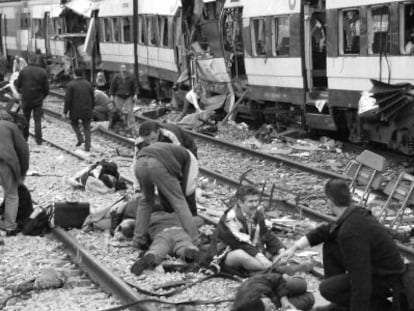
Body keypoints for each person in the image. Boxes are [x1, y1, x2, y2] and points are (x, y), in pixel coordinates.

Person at [275, 179, 406, 311]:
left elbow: (360, 280)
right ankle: (340, 306)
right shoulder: (355, 213)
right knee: (331, 243)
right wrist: (294, 248)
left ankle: (382, 308)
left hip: (388, 281)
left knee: (327, 289)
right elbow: (326, 231)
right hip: (380, 273)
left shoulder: (350, 232)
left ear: (329, 202)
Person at [133, 142, 200, 250]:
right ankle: (195, 239)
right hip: (156, 164)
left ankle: (138, 240)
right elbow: (189, 187)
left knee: (145, 201)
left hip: (139, 163)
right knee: (179, 201)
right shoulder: (190, 157)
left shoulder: (170, 149)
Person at [217, 185, 286, 275]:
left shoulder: (257, 214)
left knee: (277, 253)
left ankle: (270, 267)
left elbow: (266, 233)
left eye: (256, 201)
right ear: (240, 203)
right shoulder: (230, 218)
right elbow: (239, 244)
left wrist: (281, 249)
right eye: (250, 201)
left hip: (252, 249)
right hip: (230, 253)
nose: (254, 205)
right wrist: (260, 256)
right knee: (240, 255)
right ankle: (272, 269)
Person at [136, 120, 199, 214]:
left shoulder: (170, 135)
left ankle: (192, 216)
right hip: (162, 156)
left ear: (158, 131)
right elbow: (137, 164)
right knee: (163, 183)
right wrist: (137, 189)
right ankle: (170, 214)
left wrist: (176, 178)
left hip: (186, 155)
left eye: (153, 139)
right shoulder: (139, 142)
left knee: (186, 189)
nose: (151, 144)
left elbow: (179, 158)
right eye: (147, 141)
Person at [130, 209, 200, 276]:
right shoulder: (174, 214)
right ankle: (189, 251)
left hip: (162, 234)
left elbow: (130, 228)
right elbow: (198, 220)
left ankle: (151, 256)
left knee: (158, 249)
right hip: (178, 231)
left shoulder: (145, 218)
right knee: (184, 244)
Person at [0, 119, 30, 234]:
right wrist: (22, 173)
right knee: (12, 194)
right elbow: (23, 151)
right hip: (4, 162)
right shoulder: (12, 127)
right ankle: (10, 227)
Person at [233, 273, 315, 311]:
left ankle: (290, 278)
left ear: (260, 297)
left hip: (276, 287)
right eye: (270, 308)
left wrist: (284, 299)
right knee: (309, 299)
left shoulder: (254, 286)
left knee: (302, 284)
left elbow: (277, 278)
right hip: (276, 301)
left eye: (269, 303)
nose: (272, 305)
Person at [14, 56, 49, 144]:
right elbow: (46, 89)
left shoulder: (23, 71)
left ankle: (25, 138)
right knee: (38, 120)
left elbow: (18, 85)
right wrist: (42, 97)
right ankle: (39, 140)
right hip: (38, 99)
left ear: (28, 60)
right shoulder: (42, 71)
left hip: (26, 99)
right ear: (36, 60)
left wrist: (21, 93)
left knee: (26, 119)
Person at [63, 68, 95, 152]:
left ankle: (80, 138)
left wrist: (65, 112)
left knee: (74, 123)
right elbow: (93, 98)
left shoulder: (71, 85)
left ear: (74, 74)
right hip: (87, 109)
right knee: (87, 128)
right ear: (82, 75)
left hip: (75, 110)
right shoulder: (88, 84)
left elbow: (68, 100)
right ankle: (87, 147)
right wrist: (92, 108)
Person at [109, 64, 137, 129]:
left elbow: (134, 86)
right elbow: (112, 86)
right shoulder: (116, 77)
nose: (123, 70)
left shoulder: (131, 77)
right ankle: (116, 124)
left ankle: (131, 125)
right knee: (116, 111)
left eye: (124, 68)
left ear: (126, 69)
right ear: (120, 69)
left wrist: (135, 94)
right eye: (122, 68)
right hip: (118, 96)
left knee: (130, 111)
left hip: (128, 96)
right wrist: (111, 95)